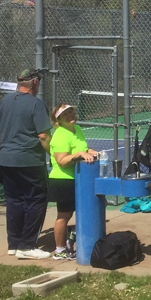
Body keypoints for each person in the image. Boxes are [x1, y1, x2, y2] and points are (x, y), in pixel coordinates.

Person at [0, 68, 53, 259]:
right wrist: (53, 154)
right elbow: (43, 135)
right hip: (30, 161)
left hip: (7, 160)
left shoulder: (6, 101)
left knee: (14, 200)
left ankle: (14, 243)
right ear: (34, 82)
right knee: (36, 199)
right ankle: (27, 246)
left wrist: (3, 150)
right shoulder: (36, 104)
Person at [47, 104, 98, 260]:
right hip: (62, 180)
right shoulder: (60, 135)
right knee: (64, 215)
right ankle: (60, 250)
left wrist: (91, 152)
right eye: (66, 114)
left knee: (85, 210)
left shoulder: (78, 130)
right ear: (59, 120)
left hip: (79, 178)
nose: (71, 115)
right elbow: (62, 161)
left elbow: (83, 148)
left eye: (71, 111)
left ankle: (71, 238)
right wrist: (80, 154)